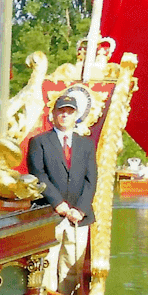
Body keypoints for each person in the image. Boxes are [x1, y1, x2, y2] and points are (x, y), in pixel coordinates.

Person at [26, 92, 98, 228]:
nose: (65, 115)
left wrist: (80, 209)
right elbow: (38, 175)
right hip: (49, 213)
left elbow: (91, 180)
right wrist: (57, 203)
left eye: (70, 112)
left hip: (79, 218)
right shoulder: (39, 142)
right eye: (61, 111)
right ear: (53, 113)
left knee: (75, 250)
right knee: (51, 250)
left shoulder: (87, 144)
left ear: (76, 115)